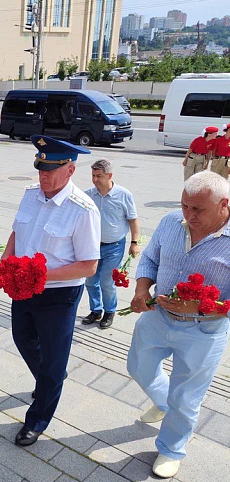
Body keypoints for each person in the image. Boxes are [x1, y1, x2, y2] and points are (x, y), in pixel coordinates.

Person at [0, 135, 100, 446]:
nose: (43, 175)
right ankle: (50, 380)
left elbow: (89, 266)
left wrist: (42, 276)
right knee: (23, 338)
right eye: (40, 168)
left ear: (69, 170)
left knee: (54, 360)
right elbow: (18, 230)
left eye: (50, 170)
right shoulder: (31, 195)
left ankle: (38, 417)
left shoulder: (83, 209)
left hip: (59, 295)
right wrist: (6, 260)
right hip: (24, 288)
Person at [126, 171, 230, 479]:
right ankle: (163, 401)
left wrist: (201, 306)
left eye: (199, 209)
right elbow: (149, 260)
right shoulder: (171, 221)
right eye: (185, 206)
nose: (189, 215)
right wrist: (142, 289)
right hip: (158, 316)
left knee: (187, 396)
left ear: (224, 205)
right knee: (138, 367)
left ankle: (171, 449)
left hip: (204, 330)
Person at [82, 159, 140, 329]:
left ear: (110, 175)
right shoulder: (88, 195)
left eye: (99, 176)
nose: (95, 180)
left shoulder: (124, 195)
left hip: (114, 246)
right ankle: (95, 310)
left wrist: (134, 242)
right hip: (92, 246)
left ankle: (109, 311)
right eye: (93, 175)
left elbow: (133, 220)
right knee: (91, 281)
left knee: (107, 282)